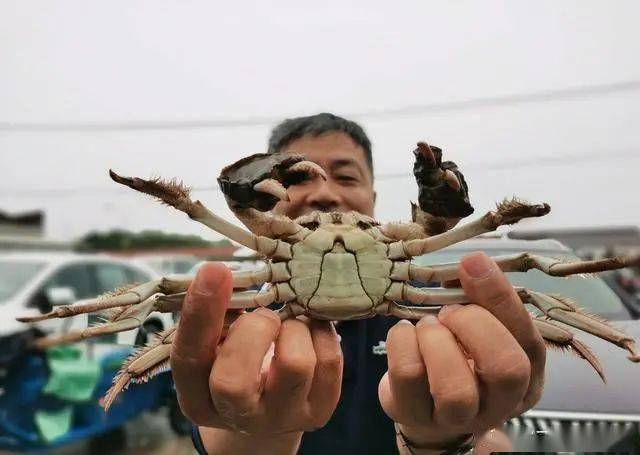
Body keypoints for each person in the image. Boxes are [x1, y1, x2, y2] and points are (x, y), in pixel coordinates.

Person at [174, 113, 545, 454]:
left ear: (374, 200)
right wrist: (249, 432)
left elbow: (494, 439)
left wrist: (452, 437)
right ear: (266, 202)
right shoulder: (233, 319)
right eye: (302, 178)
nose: (324, 194)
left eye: (346, 176)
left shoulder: (441, 315)